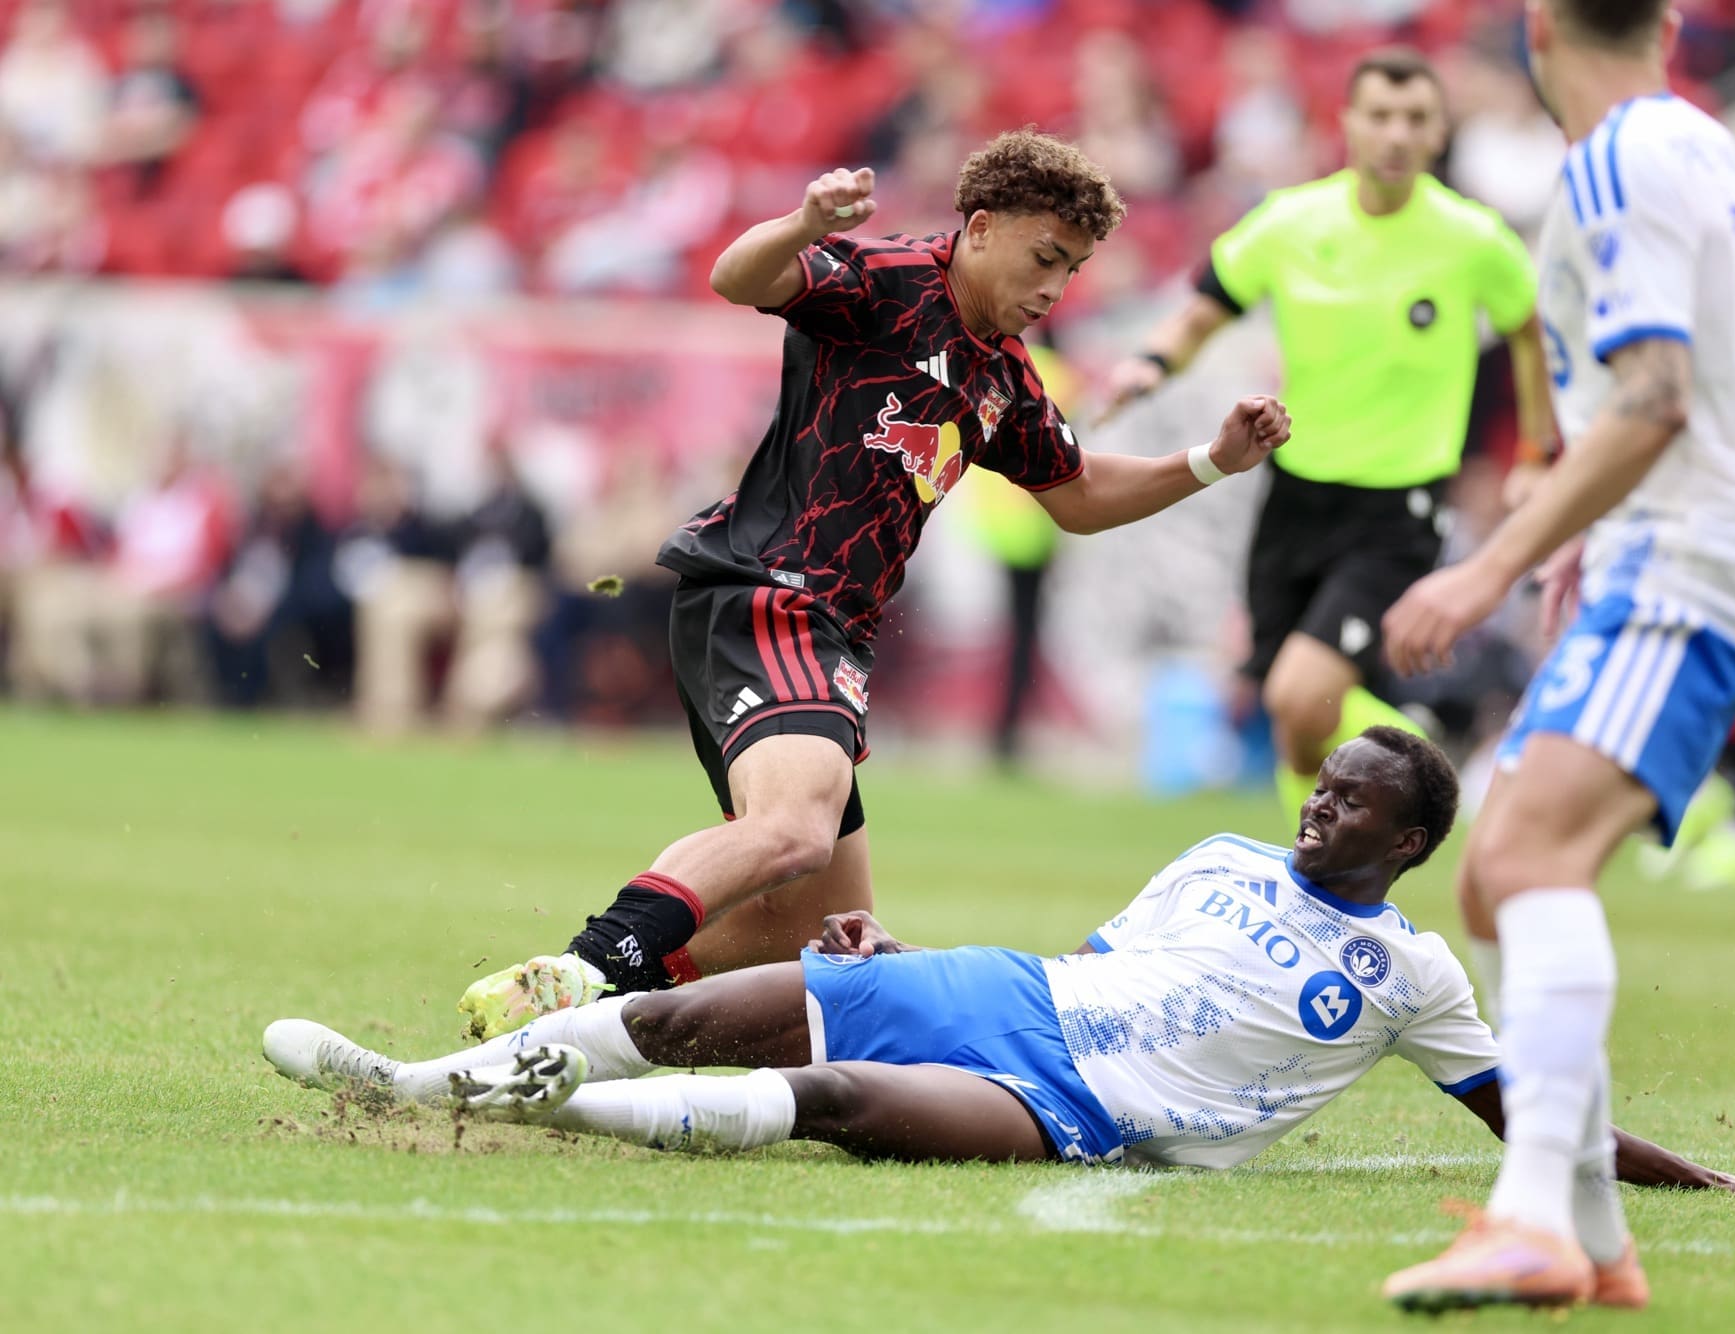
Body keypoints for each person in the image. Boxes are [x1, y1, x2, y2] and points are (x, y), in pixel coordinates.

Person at [266, 729, 1735, 1272]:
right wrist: (904, 947)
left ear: (1409, 843)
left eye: (1356, 804)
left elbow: (1527, 1108)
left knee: (835, 1106)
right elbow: (1111, 962)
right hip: (1011, 992)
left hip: (1079, 1108)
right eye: (1322, 785)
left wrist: (1682, 1171)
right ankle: (405, 1079)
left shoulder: (1414, 974)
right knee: (681, 1010)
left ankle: (528, 1106)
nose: (1320, 811)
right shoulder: (1221, 852)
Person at [453, 130, 1293, 1038]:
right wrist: (805, 222)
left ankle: (573, 1033)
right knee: (794, 829)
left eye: (1075, 269)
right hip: (769, 591)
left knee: (819, 945)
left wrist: (1211, 461)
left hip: (834, 634)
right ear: (979, 228)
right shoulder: (887, 279)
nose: (1056, 288)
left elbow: (1081, 496)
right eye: (1045, 257)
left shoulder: (1004, 376)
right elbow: (737, 279)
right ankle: (580, 973)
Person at [1377, 0, 1735, 1312]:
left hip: (1682, 561)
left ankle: (1533, 1221)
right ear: (1672, 22)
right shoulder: (1706, 147)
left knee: (1527, 859)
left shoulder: (1616, 159)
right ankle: (1593, 1235)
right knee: (1490, 879)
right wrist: (1655, 503)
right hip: (1689, 545)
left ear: (1538, 29)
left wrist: (1490, 562)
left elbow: (1652, 398)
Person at [1104, 47, 1557, 826]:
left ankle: (1461, 783)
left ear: (1439, 130)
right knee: (1295, 723)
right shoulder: (1292, 222)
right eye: (1379, 115)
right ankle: (1314, 879)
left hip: (1397, 507)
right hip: (1296, 495)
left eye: (1415, 119)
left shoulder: (1471, 237)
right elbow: (1206, 306)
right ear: (1346, 122)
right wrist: (1148, 363)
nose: (1395, 134)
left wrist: (1534, 456)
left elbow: (1530, 333)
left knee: (1299, 693)